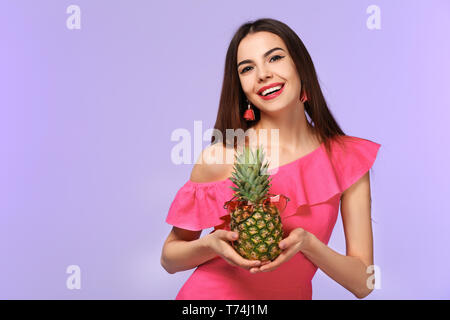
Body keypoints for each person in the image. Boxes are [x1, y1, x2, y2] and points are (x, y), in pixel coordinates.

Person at [160, 18, 381, 300]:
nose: (262, 74)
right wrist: (211, 245)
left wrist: (308, 244)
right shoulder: (223, 155)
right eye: (248, 68)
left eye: (275, 58)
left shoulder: (347, 158)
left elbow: (363, 283)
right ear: (241, 86)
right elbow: (169, 259)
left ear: (300, 65)